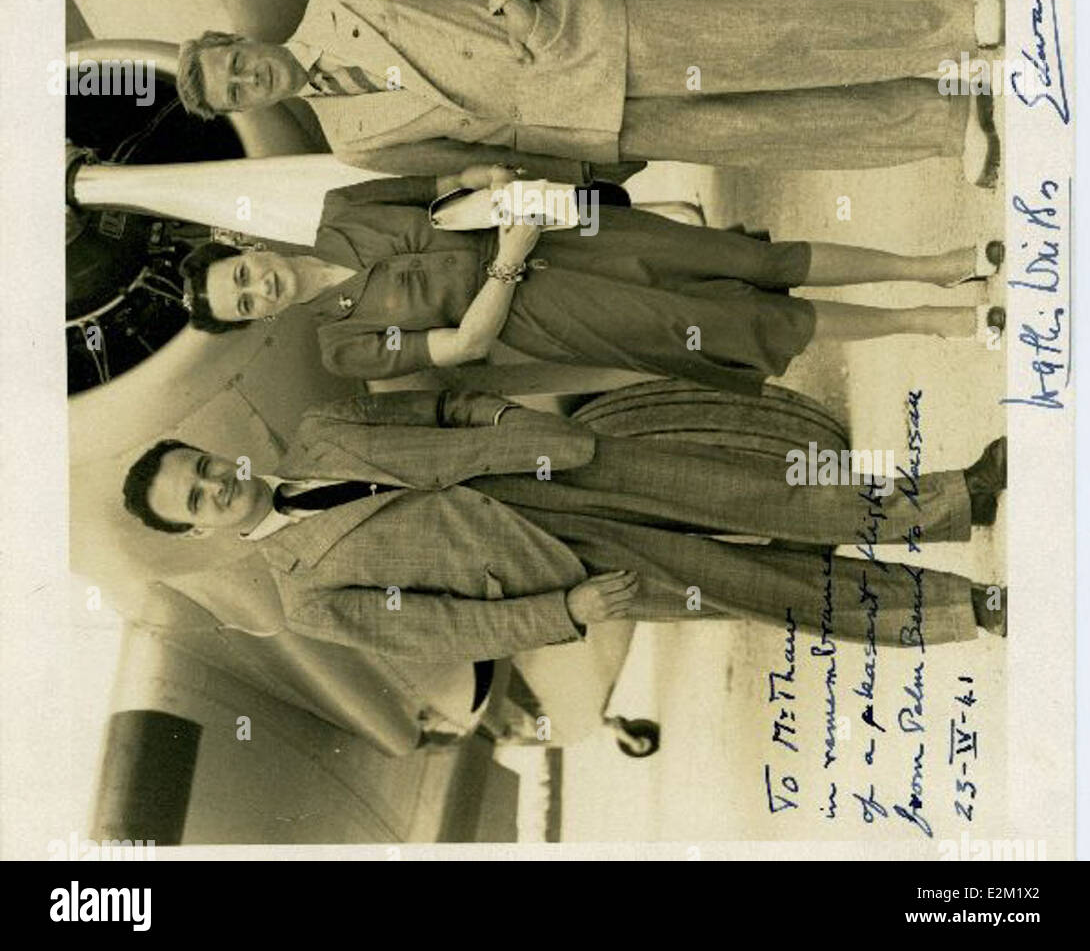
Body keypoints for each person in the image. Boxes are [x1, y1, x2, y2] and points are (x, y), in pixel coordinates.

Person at [120, 389, 1009, 658]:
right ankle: (964, 611)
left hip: (561, 466)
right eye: (195, 501)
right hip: (562, 567)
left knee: (763, 491)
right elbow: (443, 631)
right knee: (766, 586)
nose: (215, 486)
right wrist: (568, 614)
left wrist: (507, 424)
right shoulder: (305, 597)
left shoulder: (316, 427)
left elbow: (444, 409)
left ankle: (956, 497)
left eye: (201, 467)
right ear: (200, 534)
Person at [174, 0, 1002, 184]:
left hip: (585, 36)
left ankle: (956, 28)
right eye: (238, 91)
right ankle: (939, 124)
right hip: (578, 128)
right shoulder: (351, 145)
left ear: (241, 41)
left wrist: (514, 1)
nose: (251, 76)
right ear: (248, 108)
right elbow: (462, 165)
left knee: (778, 38)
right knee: (766, 130)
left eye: (236, 61)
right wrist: (560, 172)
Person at [177, 173, 1006, 388]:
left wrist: (506, 193)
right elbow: (465, 345)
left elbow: (450, 179)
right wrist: (509, 254)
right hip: (545, 308)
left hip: (571, 231)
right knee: (741, 324)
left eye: (242, 275)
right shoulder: (341, 346)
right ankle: (931, 325)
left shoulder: (338, 210)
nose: (260, 289)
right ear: (254, 320)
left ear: (245, 246)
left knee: (749, 259)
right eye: (245, 305)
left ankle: (935, 267)